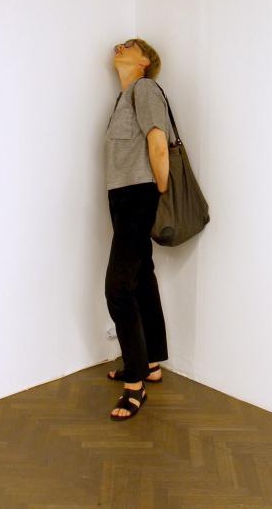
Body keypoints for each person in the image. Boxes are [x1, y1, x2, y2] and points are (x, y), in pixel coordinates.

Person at [104, 37, 170, 420]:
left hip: (137, 195)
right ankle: (150, 363)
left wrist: (157, 191)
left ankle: (134, 384)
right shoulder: (125, 96)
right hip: (124, 195)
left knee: (118, 287)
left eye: (128, 45)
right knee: (141, 276)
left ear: (144, 61)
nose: (119, 46)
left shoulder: (145, 89)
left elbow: (157, 142)